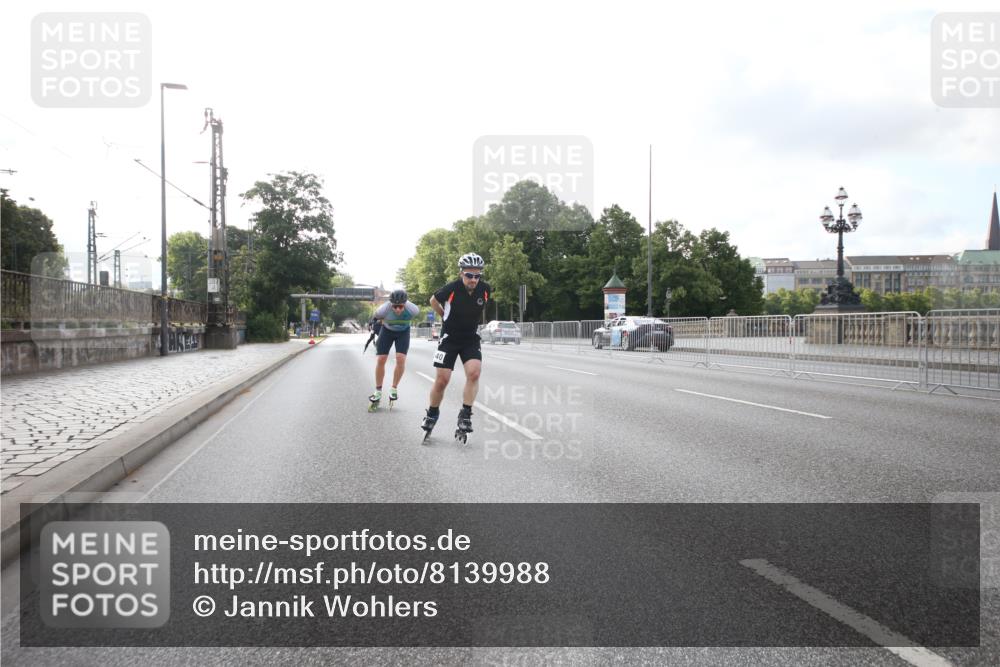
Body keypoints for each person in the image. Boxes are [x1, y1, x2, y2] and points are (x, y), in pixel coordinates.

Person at [421, 253, 491, 437]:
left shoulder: (485, 289)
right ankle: (432, 413)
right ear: (461, 273)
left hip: (470, 338)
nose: (473, 279)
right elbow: (432, 300)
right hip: (449, 338)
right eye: (469, 275)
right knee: (442, 380)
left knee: (474, 373)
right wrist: (444, 314)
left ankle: (466, 414)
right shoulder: (451, 288)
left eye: (477, 276)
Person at [368, 289, 420, 409]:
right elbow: (375, 318)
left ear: (405, 304)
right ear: (390, 304)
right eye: (395, 306)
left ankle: (394, 388)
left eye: (400, 307)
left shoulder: (413, 309)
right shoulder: (383, 309)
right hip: (386, 331)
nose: (397, 309)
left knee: (400, 359)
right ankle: (378, 390)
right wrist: (373, 324)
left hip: (403, 332)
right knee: (381, 359)